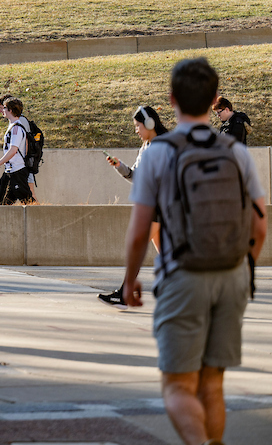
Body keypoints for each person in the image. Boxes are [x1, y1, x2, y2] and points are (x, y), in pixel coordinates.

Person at [121, 58, 266, 445]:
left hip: (183, 276)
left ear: (172, 99)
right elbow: (260, 223)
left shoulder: (159, 152)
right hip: (232, 276)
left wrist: (130, 280)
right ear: (214, 99)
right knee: (213, 385)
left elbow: (139, 231)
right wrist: (245, 269)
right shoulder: (235, 151)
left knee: (178, 387)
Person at [97, 105, 169, 308]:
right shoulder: (146, 147)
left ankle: (124, 294)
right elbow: (136, 177)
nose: (136, 130)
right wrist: (120, 167)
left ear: (149, 124)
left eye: (138, 125)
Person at [0, 95, 35, 205]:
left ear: (10, 110)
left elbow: (13, 150)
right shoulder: (13, 127)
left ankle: (43, 219)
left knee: (28, 202)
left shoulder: (17, 129)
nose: (2, 110)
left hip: (17, 171)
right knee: (1, 203)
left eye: (4, 108)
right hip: (10, 172)